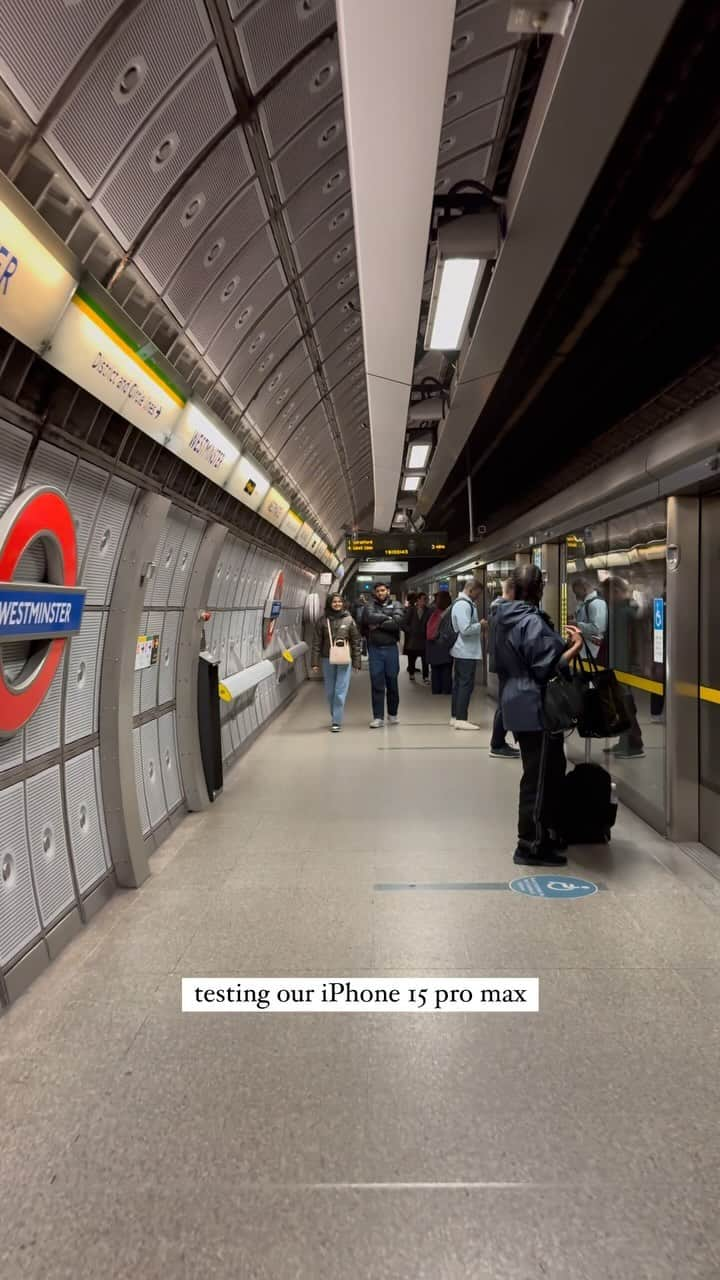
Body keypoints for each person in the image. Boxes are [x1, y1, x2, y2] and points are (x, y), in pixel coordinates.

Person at [494, 563, 584, 866]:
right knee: (540, 777)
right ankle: (530, 844)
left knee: (543, 770)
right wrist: (574, 647)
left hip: (516, 700)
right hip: (536, 705)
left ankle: (543, 835)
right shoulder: (530, 621)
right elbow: (547, 666)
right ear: (535, 591)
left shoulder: (503, 618)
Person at [311, 593, 361, 732]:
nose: (337, 604)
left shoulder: (349, 620)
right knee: (330, 692)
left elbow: (356, 642)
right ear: (329, 604)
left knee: (340, 691)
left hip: (345, 659)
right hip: (327, 659)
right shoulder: (322, 621)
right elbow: (316, 643)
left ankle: (336, 721)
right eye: (334, 602)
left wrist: (357, 662)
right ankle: (335, 716)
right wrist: (314, 662)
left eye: (339, 602)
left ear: (343, 603)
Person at [360, 583, 405, 728]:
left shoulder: (396, 604)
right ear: (375, 592)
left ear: (388, 591)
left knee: (392, 681)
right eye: (378, 591)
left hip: (391, 648)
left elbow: (398, 623)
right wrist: (388, 617)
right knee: (377, 682)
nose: (380, 593)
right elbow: (369, 618)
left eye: (383, 590)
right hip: (375, 649)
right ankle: (378, 717)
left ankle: (392, 714)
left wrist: (378, 625)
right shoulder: (369, 605)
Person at [485, 576, 521, 759]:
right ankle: (497, 743)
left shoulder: (496, 609)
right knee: (505, 703)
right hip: (508, 663)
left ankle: (499, 742)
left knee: (504, 702)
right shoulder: (506, 611)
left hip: (501, 661)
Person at [449, 577, 485, 731]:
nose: (479, 596)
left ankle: (456, 716)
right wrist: (481, 626)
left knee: (459, 684)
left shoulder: (465, 604)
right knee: (465, 685)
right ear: (471, 590)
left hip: (464, 651)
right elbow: (465, 629)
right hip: (465, 651)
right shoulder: (463, 605)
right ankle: (461, 718)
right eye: (478, 592)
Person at [572, 577, 608, 660]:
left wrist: (576, 624)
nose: (576, 595)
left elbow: (597, 628)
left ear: (584, 589)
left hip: (593, 653)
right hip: (585, 651)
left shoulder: (596, 603)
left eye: (576, 592)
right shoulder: (586, 604)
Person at [426, 590, 453, 695]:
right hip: (443, 644)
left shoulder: (431, 611)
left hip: (432, 645)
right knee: (446, 670)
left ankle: (436, 690)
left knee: (435, 670)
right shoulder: (450, 612)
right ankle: (446, 691)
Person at [403, 591, 432, 682]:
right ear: (418, 600)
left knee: (425, 659)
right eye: (423, 599)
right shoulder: (411, 610)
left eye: (426, 599)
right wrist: (410, 630)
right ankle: (411, 673)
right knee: (412, 658)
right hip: (413, 639)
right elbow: (404, 623)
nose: (425, 601)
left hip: (424, 638)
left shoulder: (428, 611)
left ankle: (425, 676)